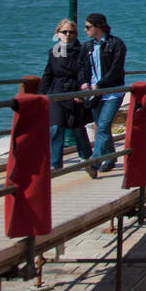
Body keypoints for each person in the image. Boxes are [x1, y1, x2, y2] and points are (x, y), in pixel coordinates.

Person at [43, 18, 96, 177]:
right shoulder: (53, 52)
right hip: (57, 92)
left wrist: (82, 90)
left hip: (75, 91)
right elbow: (48, 74)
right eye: (64, 32)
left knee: (78, 127)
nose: (67, 35)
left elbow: (83, 72)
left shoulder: (82, 50)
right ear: (58, 34)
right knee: (56, 127)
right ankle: (55, 164)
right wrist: (41, 96)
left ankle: (86, 158)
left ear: (76, 34)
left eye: (70, 32)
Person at [79, 12, 127, 173]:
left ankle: (94, 162)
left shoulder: (116, 44)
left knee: (103, 127)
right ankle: (111, 157)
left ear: (98, 26)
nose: (85, 30)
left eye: (87, 27)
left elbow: (116, 69)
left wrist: (100, 84)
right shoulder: (87, 47)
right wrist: (84, 83)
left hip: (112, 92)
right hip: (94, 93)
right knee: (101, 127)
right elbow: (81, 68)